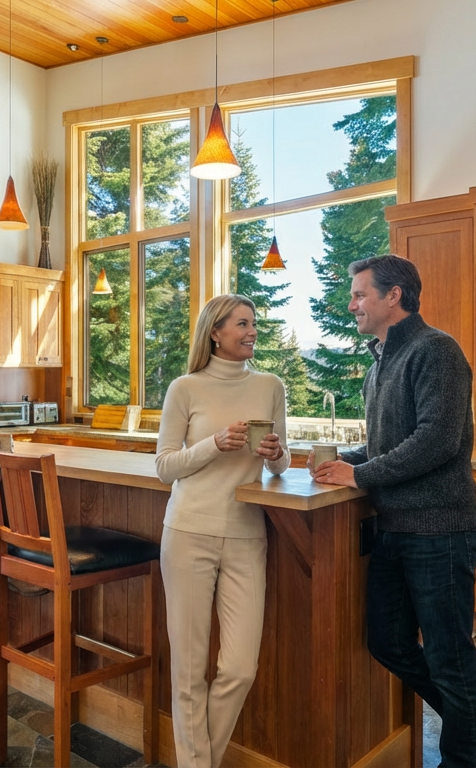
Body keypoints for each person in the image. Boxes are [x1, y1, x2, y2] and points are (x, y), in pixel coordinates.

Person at [310, 255, 476, 768]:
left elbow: (435, 440)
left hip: (441, 531)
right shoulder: (380, 360)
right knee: (387, 643)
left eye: (360, 294)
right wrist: (341, 462)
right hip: (394, 530)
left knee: (450, 659)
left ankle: (466, 761)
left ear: (394, 297)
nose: (352, 304)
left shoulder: (437, 350)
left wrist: (360, 475)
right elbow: (385, 444)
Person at [154, 294, 290, 768]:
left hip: (248, 536)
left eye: (254, 324)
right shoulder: (185, 388)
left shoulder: (271, 384)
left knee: (239, 668)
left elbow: (282, 463)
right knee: (189, 670)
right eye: (242, 324)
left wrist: (275, 455)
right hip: (188, 532)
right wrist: (214, 443)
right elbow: (165, 467)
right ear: (215, 332)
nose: (252, 331)